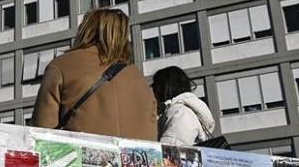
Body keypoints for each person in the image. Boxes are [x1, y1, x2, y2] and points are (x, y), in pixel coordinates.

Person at [31, 8, 156, 140]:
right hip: (136, 158)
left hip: (81, 157)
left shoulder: (62, 66)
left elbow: (42, 131)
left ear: (85, 30)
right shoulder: (138, 77)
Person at [153, 66, 216, 145]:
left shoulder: (180, 112)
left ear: (164, 88)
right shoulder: (177, 111)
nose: (153, 90)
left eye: (155, 86)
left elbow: (169, 152)